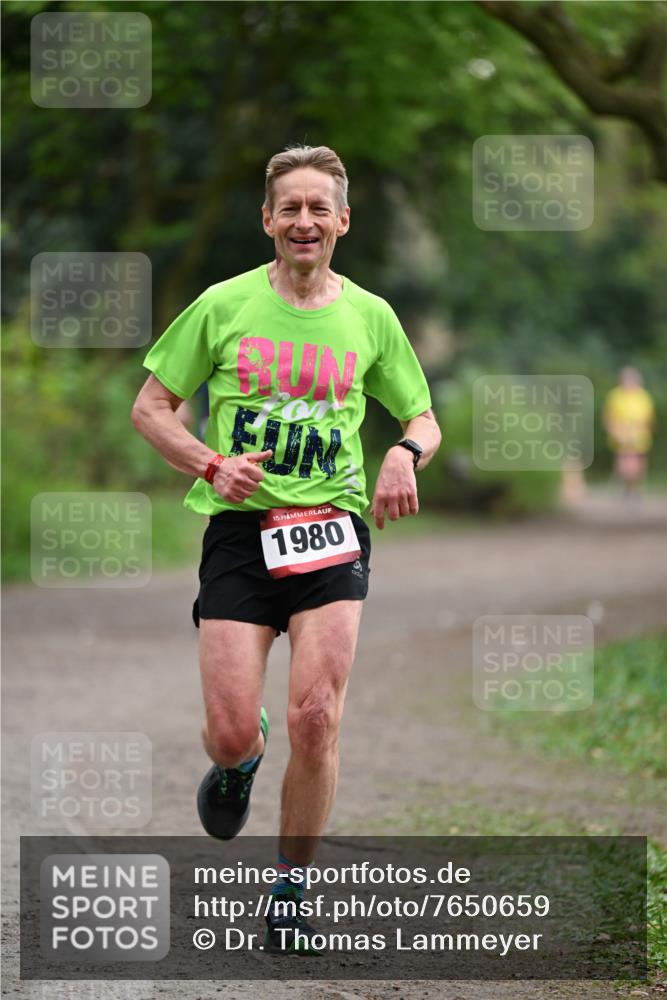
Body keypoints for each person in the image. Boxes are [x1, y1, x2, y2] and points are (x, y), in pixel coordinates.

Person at [131, 144, 441, 954]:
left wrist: (403, 454)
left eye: (318, 208)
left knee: (316, 717)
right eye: (289, 208)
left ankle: (291, 891)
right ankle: (238, 762)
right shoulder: (222, 305)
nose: (304, 221)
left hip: (331, 529)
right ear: (267, 220)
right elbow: (152, 406)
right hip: (239, 534)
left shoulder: (370, 316)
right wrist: (210, 462)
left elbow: (421, 416)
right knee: (233, 730)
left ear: (342, 221)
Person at [603, 367, 655, 501]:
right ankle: (628, 488)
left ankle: (635, 490)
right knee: (625, 464)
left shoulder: (644, 396)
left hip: (640, 437)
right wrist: (615, 432)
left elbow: (649, 419)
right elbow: (608, 417)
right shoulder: (615, 395)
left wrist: (644, 430)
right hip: (621, 437)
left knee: (638, 466)